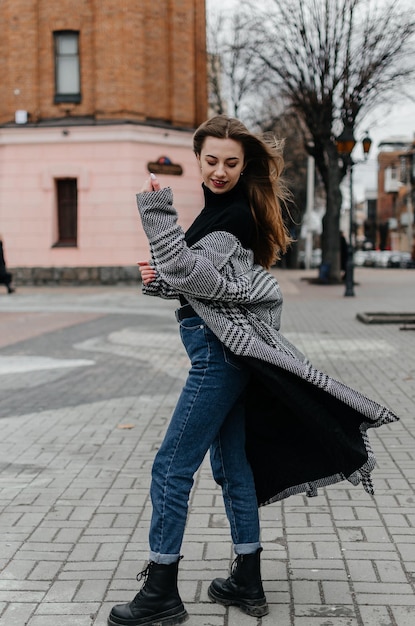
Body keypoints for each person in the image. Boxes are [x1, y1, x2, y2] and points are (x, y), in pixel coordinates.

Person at [107, 115, 398, 626]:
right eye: (212, 160)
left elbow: (191, 273)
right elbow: (204, 285)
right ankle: (248, 578)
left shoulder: (233, 217)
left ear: (244, 167)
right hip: (227, 354)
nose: (220, 171)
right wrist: (165, 279)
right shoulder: (219, 214)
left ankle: (160, 592)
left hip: (218, 358)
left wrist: (156, 212)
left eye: (231, 163)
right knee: (232, 466)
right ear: (197, 159)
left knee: (171, 467)